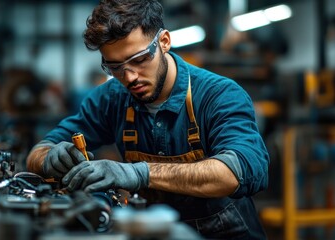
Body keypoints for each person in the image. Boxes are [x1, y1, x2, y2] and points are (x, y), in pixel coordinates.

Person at [27, 0, 270, 239]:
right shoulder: (112, 98)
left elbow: (236, 171)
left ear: (164, 42)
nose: (129, 77)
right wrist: (51, 157)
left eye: (139, 59)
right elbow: (37, 153)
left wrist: (139, 173)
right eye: (115, 67)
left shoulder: (218, 95)